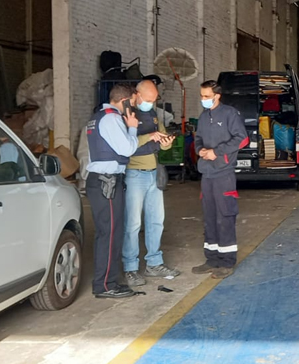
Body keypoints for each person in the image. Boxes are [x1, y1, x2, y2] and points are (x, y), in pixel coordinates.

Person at [84, 84, 141, 299]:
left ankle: (106, 282)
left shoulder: (97, 117)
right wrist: (133, 127)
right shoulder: (112, 118)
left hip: (101, 182)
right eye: (133, 103)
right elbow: (127, 149)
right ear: (125, 101)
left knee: (106, 234)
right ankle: (106, 285)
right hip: (106, 183)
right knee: (110, 235)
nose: (133, 108)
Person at [123, 80, 181, 287]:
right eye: (148, 100)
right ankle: (130, 268)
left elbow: (163, 140)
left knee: (156, 221)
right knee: (133, 224)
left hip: (153, 172)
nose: (150, 103)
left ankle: (154, 263)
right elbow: (124, 146)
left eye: (154, 100)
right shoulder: (126, 114)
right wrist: (149, 136)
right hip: (134, 174)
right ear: (136, 95)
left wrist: (166, 143)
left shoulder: (153, 114)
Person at [191, 80, 248, 279]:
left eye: (206, 96)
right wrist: (201, 150)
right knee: (209, 217)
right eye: (201, 96)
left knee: (225, 216)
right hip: (207, 173)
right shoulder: (204, 117)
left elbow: (242, 138)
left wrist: (217, 152)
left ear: (217, 96)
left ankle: (227, 262)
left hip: (224, 173)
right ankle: (212, 258)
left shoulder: (229, 114)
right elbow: (198, 138)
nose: (203, 100)